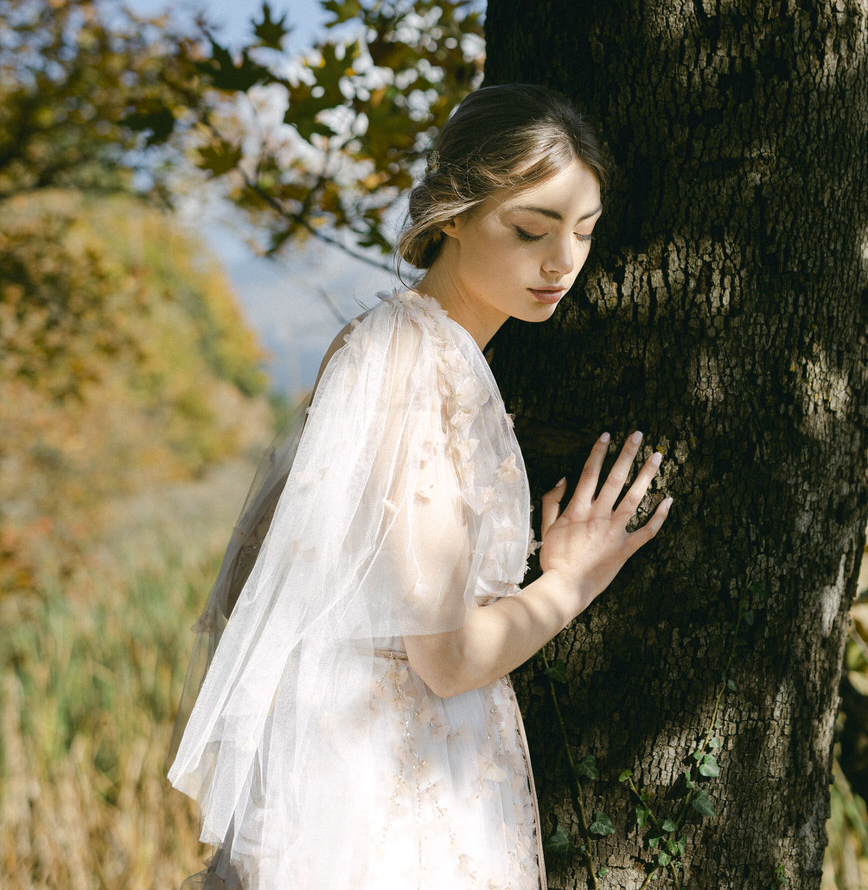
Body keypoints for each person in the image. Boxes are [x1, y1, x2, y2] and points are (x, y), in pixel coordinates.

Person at [167, 83, 671, 890]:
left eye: (584, 231)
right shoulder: (417, 367)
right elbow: (445, 659)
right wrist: (570, 582)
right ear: (451, 215)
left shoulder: (391, 347)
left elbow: (260, 568)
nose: (562, 262)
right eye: (530, 229)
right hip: (393, 788)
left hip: (381, 767)